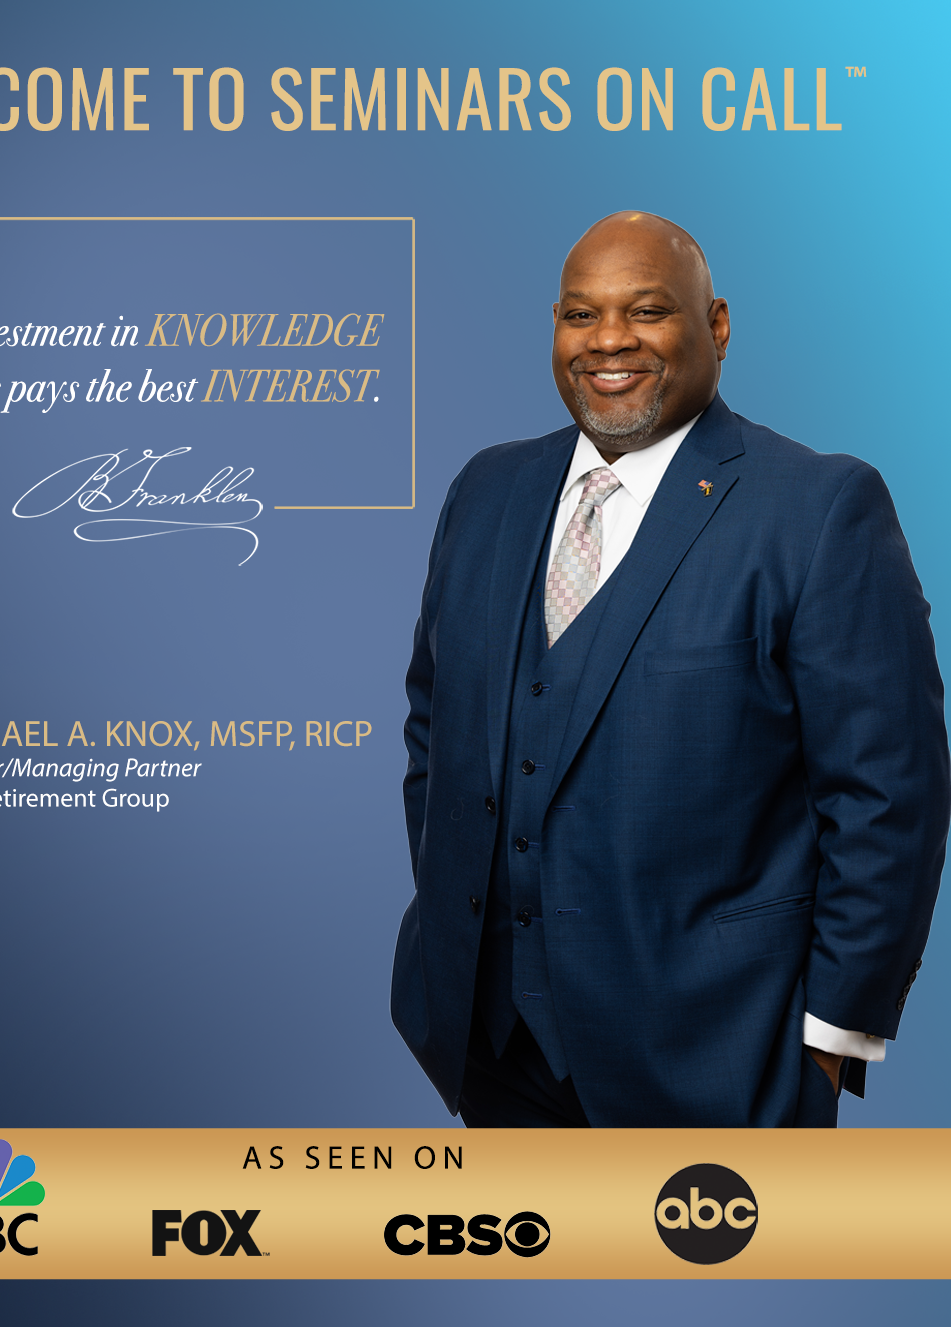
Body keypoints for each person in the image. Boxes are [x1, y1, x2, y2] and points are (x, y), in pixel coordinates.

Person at [391, 211, 948, 1127]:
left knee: (701, 1278)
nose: (609, 340)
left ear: (716, 325)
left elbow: (890, 795)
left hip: (718, 1053)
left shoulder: (818, 509)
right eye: (581, 315)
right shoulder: (486, 490)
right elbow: (433, 724)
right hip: (484, 1044)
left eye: (646, 310)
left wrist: (833, 1037)